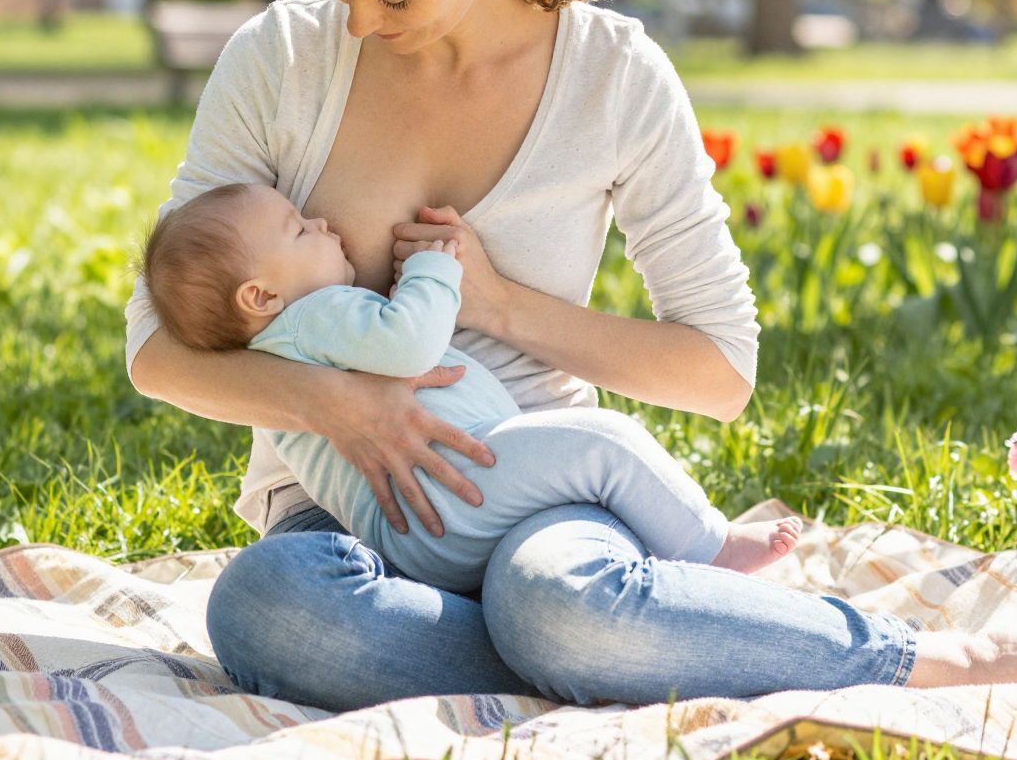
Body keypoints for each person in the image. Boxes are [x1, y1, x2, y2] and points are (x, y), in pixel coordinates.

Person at [127, 0, 1017, 712]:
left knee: (555, 598)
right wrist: (334, 404)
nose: (350, 23)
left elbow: (718, 370)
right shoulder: (280, 58)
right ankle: (631, 640)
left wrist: (498, 307)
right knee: (267, 610)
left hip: (539, 496)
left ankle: (922, 663)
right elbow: (157, 347)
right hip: (343, 514)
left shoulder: (611, 77)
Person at [138, 180, 804, 590]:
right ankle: (709, 548)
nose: (321, 224)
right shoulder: (313, 319)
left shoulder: (281, 348)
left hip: (420, 519)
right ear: (260, 294)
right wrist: (435, 267)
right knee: (601, 442)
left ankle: (607, 599)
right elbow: (412, 342)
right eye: (298, 229)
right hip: (449, 493)